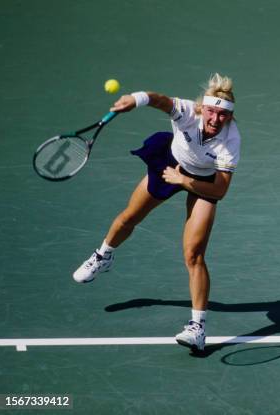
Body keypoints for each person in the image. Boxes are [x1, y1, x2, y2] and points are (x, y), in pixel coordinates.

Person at [72, 73, 241, 352]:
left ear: (229, 118)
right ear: (202, 109)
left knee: (194, 254)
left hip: (203, 183)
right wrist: (134, 99)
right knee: (130, 217)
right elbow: (159, 100)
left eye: (223, 115)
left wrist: (184, 181)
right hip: (169, 163)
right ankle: (103, 256)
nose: (215, 119)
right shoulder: (187, 111)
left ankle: (197, 328)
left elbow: (220, 191)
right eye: (211, 111)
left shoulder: (231, 141)